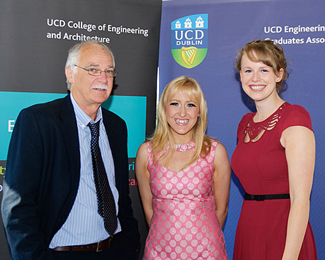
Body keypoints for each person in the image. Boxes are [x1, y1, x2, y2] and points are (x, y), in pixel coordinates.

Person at [1, 40, 140, 260]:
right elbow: (18, 204)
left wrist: (130, 244)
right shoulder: (38, 121)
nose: (103, 79)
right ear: (70, 73)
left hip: (115, 250)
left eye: (109, 71)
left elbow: (120, 195)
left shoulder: (117, 126)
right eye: (93, 69)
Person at [231, 39, 317, 260]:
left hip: (284, 233)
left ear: (279, 74)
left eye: (264, 70)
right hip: (248, 229)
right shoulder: (244, 123)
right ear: (240, 75)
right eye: (248, 70)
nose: (255, 78)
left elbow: (300, 200)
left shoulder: (295, 117)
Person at [136, 76, 231, 259]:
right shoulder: (146, 153)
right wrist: (165, 238)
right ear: (164, 109)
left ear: (199, 112)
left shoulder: (215, 152)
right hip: (159, 251)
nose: (182, 113)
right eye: (175, 104)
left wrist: (202, 241)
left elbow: (222, 209)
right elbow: (149, 209)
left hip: (207, 252)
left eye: (190, 105)